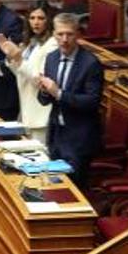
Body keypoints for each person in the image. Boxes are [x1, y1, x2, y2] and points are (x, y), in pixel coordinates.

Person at [35, 12, 105, 188]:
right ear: (54, 34)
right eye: (60, 34)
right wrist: (44, 91)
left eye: (69, 34)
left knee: (74, 190)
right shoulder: (51, 58)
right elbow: (45, 100)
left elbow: (91, 102)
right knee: (54, 186)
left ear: (78, 35)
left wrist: (58, 93)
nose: (64, 39)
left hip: (79, 139)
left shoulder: (90, 63)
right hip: (56, 134)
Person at [0, 1, 57, 143]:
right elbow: (21, 73)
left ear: (49, 20)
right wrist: (11, 56)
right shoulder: (31, 42)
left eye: (41, 18)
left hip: (41, 114)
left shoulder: (52, 45)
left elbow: (40, 80)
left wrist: (19, 57)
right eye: (32, 18)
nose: (36, 22)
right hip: (26, 110)